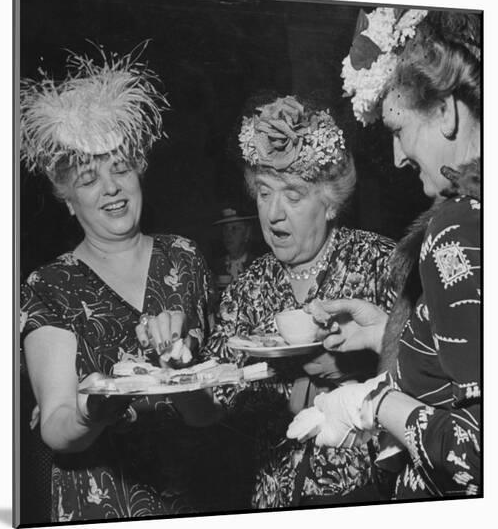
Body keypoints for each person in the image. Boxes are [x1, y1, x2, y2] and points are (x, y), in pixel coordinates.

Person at [20, 44, 218, 522]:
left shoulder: (184, 257)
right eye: (89, 179)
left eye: (120, 169)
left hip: (196, 495)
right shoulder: (49, 285)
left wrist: (182, 376)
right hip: (100, 502)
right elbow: (57, 425)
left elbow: (210, 412)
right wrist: (95, 411)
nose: (111, 188)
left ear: (139, 173)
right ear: (68, 199)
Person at [288, 7, 481, 499]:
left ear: (448, 112)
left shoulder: (454, 227)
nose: (396, 158)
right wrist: (382, 330)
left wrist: (368, 406)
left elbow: (477, 454)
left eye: (399, 130)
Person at [201, 94, 396, 508]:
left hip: (368, 497)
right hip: (274, 498)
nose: (273, 214)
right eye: (264, 193)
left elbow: (435, 376)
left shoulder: (381, 262)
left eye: (292, 196)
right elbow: (215, 401)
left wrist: (359, 368)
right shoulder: (249, 285)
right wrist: (182, 374)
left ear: (329, 203)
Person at [212, 206, 256, 290]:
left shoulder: (257, 266)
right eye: (225, 229)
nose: (228, 235)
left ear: (247, 233)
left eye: (234, 229)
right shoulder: (215, 268)